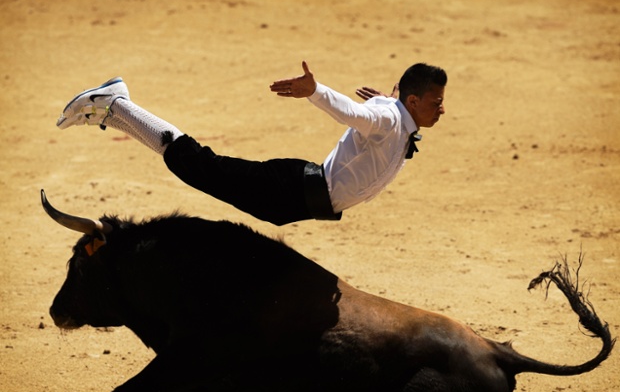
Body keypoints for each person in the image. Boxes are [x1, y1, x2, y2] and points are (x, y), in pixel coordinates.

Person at [56, 61, 447, 226]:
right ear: (413, 101)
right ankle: (116, 105)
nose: (442, 110)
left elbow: (382, 123)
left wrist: (389, 106)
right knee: (202, 167)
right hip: (292, 187)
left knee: (204, 172)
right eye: (436, 102)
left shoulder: (398, 119)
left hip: (296, 203)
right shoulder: (390, 118)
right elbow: (355, 115)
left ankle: (116, 108)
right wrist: (317, 91)